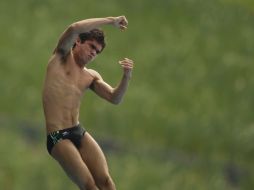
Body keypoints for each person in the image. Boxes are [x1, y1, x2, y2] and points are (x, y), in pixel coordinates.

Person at [42, 16, 134, 190]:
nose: (93, 53)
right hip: (56, 136)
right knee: (89, 185)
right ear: (78, 41)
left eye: (97, 51)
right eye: (92, 46)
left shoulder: (90, 76)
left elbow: (115, 98)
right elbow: (74, 27)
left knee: (106, 182)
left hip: (77, 130)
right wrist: (111, 21)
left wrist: (126, 77)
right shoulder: (60, 58)